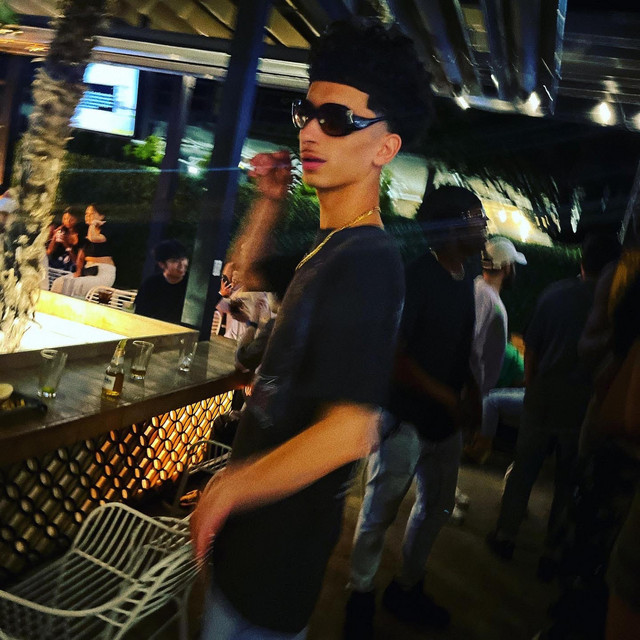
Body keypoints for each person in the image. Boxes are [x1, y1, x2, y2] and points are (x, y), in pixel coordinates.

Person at [190, 17, 433, 639]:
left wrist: (228, 489)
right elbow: (242, 279)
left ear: (385, 148)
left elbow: (353, 430)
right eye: (308, 112)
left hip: (275, 561)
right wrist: (270, 199)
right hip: (255, 545)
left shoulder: (368, 260)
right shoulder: (330, 249)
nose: (311, 131)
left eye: (339, 119)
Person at [344, 185, 487, 638]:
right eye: (476, 216)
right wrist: (446, 396)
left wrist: (472, 390)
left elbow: (461, 341)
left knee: (437, 506)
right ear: (451, 227)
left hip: (445, 423)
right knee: (380, 510)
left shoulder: (467, 273)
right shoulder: (416, 277)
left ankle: (406, 587)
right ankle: (359, 594)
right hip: (402, 418)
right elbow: (395, 355)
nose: (484, 224)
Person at [486, 232, 623, 575]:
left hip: (543, 398)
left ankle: (505, 536)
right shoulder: (617, 310)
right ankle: (552, 552)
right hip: (583, 408)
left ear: (582, 261)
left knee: (524, 470)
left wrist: (532, 388)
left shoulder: (555, 294)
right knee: (567, 482)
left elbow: (532, 349)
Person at [464, 237, 526, 464]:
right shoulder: (486, 297)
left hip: (471, 388)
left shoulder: (480, 290)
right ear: (507, 267)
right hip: (468, 388)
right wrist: (471, 392)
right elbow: (472, 344)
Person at [51, 203, 116, 297]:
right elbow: (81, 256)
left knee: (73, 285)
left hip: (102, 272)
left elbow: (93, 238)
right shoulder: (86, 232)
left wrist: (93, 224)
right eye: (86, 214)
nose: (88, 216)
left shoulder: (107, 229)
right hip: (88, 269)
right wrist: (78, 271)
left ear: (101, 216)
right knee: (59, 283)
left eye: (91, 214)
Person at [134, 239, 189, 324]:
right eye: (174, 261)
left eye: (183, 259)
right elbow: (140, 313)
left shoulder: (192, 285)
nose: (181, 265)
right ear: (162, 264)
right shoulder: (150, 284)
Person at [46, 207, 85, 271]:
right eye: (65, 219)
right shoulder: (62, 231)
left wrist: (66, 244)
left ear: (78, 220)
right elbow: (49, 252)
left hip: (74, 265)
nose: (67, 221)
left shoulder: (81, 235)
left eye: (71, 219)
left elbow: (76, 261)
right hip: (59, 263)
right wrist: (54, 237)